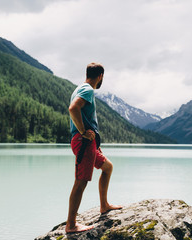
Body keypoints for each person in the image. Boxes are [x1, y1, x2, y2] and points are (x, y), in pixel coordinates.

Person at [65, 63, 122, 233]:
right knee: (81, 181)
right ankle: (71, 224)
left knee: (107, 167)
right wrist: (83, 132)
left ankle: (104, 205)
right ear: (100, 76)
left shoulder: (80, 88)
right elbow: (73, 108)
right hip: (83, 142)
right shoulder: (87, 90)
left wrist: (95, 143)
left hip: (89, 143)